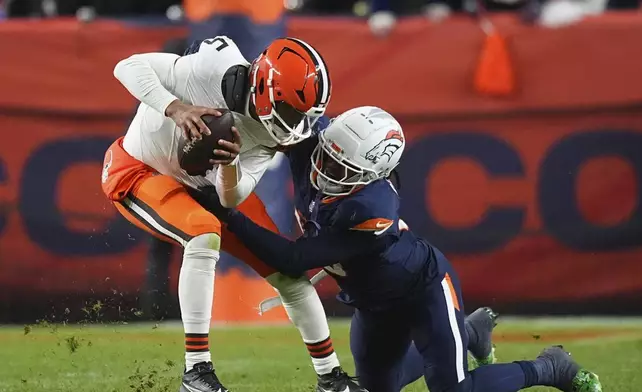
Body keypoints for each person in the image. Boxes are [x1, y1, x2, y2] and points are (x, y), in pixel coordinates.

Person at [187, 106, 603, 392]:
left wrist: (228, 214)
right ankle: (471, 331)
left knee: (454, 390)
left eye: (340, 169)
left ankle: (550, 366)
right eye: (326, 157)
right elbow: (282, 122)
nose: (323, 170)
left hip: (421, 291)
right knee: (377, 388)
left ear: (372, 173)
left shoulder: (371, 208)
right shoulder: (320, 145)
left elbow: (292, 260)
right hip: (372, 304)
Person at [100, 36, 363, 392]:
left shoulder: (271, 133)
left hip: (208, 188)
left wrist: (230, 163)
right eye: (292, 112)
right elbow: (127, 66)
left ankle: (331, 378)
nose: (297, 124)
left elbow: (231, 196)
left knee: (288, 270)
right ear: (266, 89)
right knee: (203, 233)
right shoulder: (211, 68)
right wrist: (175, 107)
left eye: (305, 116)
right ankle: (196, 373)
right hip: (140, 170)